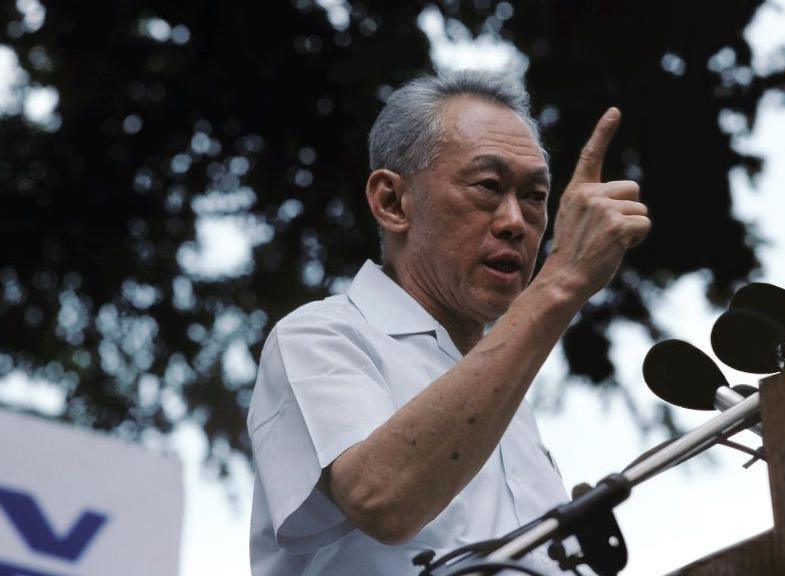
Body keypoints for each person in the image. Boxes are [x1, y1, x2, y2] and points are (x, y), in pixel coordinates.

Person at [247, 69, 651, 575]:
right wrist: (562, 281)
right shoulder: (321, 337)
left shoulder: (507, 395)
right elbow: (383, 500)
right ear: (392, 202)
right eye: (488, 186)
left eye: (534, 197)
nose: (515, 222)